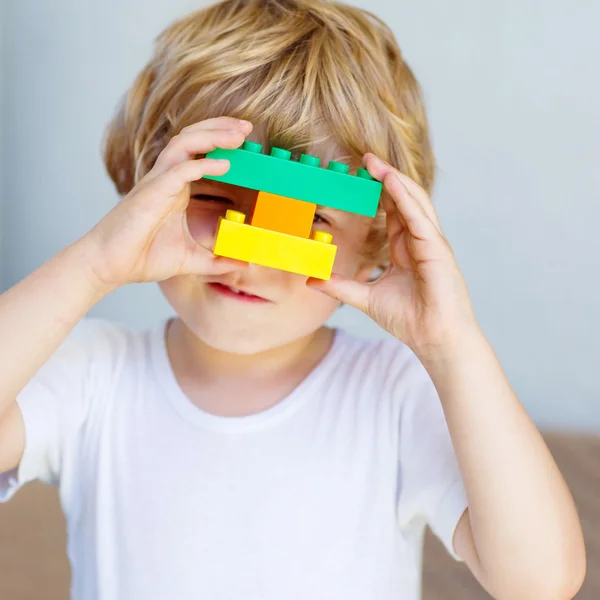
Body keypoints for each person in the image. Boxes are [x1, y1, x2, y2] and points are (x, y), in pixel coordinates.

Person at [0, 1, 586, 598]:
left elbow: (539, 583)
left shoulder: (395, 394)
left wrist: (452, 344)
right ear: (146, 193)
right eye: (217, 200)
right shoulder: (94, 372)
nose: (251, 257)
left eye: (309, 224)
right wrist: (97, 261)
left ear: (376, 245)